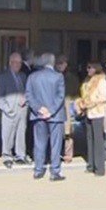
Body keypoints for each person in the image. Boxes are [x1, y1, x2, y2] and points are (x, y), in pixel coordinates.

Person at [25, 53, 66, 181]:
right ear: (52, 62)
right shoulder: (58, 76)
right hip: (56, 115)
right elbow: (60, 96)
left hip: (38, 115)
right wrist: (51, 111)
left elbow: (29, 95)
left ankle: (38, 170)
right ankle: (55, 171)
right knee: (55, 144)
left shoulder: (32, 77)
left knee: (39, 143)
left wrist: (38, 108)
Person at [77, 62, 106, 176]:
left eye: (90, 68)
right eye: (87, 68)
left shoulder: (102, 81)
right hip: (88, 112)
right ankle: (91, 165)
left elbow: (103, 96)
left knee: (98, 140)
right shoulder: (87, 80)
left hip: (98, 112)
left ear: (96, 69)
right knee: (89, 138)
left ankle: (99, 168)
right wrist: (82, 103)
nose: (88, 70)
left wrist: (89, 103)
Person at [0, 52, 29, 169]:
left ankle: (20, 155)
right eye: (15, 62)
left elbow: (27, 91)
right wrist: (7, 109)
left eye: (20, 63)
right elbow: (0, 96)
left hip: (22, 108)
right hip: (9, 110)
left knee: (21, 133)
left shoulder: (23, 76)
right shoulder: (3, 76)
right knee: (7, 134)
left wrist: (25, 99)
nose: (18, 65)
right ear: (10, 63)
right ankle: (7, 156)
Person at [56, 55, 78, 163]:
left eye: (63, 63)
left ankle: (68, 154)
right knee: (55, 130)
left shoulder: (72, 78)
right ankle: (55, 153)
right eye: (59, 63)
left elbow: (76, 92)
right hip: (56, 105)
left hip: (68, 104)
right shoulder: (54, 76)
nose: (60, 65)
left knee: (68, 132)